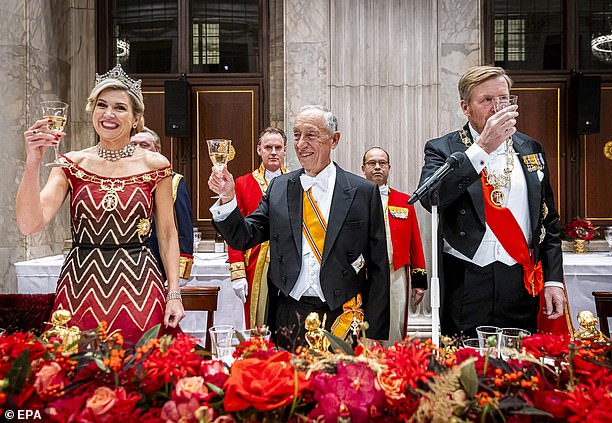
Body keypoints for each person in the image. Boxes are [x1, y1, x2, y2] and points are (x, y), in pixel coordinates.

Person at [16, 64, 185, 343]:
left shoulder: (155, 165)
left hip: (140, 287)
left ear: (135, 118)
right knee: (77, 375)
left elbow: (167, 234)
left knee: (145, 374)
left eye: (120, 107)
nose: (108, 114)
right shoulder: (71, 164)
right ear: (92, 110)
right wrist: (33, 161)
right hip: (81, 286)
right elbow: (28, 224)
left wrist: (174, 295)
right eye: (101, 105)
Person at [208, 105, 390, 348]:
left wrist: (375, 332)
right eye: (296, 135)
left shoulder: (363, 192)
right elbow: (244, 236)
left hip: (342, 315)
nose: (301, 144)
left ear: (334, 140)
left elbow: (378, 266)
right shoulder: (280, 188)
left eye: (311, 135)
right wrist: (228, 199)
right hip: (288, 315)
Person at [418, 65, 566, 338]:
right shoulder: (443, 148)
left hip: (520, 278)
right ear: (465, 107)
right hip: (466, 278)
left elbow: (548, 220)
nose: (498, 108)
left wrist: (554, 280)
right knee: (466, 368)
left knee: (520, 368)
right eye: (486, 100)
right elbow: (430, 198)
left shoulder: (530, 148)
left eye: (504, 99)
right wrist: (481, 150)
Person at [361, 147, 427, 343]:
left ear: (389, 167)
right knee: (362, 324)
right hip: (363, 273)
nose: (377, 167)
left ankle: (392, 363)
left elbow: (415, 241)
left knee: (395, 324)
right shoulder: (353, 199)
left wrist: (419, 282)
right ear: (363, 168)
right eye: (372, 163)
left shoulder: (404, 201)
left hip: (395, 271)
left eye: (382, 163)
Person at [227, 127, 287, 329]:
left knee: (287, 317)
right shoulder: (243, 183)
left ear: (285, 151)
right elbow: (235, 230)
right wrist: (238, 272)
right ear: (259, 150)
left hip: (289, 261)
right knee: (259, 321)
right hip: (256, 262)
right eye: (268, 147)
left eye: (278, 147)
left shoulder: (297, 181)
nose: (273, 152)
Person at [131, 127, 194, 283]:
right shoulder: (120, 181)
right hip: (127, 264)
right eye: (133, 145)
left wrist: (180, 271)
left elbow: (184, 228)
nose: (138, 149)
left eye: (144, 145)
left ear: (157, 150)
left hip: (159, 267)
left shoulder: (173, 181)